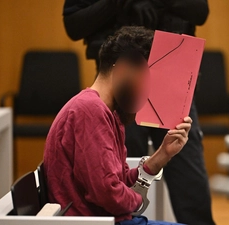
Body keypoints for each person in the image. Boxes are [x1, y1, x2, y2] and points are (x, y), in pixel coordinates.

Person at [62, 1, 216, 225]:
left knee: (189, 180)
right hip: (122, 75)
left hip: (173, 69)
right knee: (120, 173)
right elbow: (74, 25)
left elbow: (200, 12)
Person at [44, 26, 192, 225]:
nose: (147, 92)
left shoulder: (106, 112)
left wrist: (163, 154)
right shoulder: (90, 111)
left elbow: (118, 180)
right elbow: (108, 193)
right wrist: (138, 202)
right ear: (123, 69)